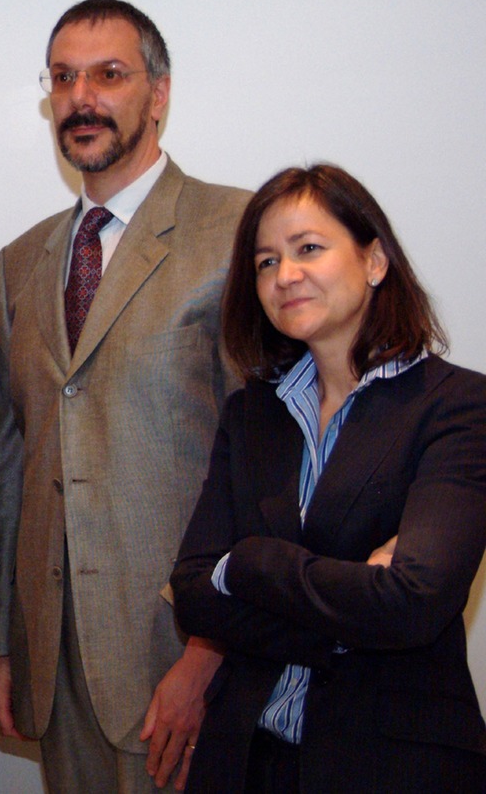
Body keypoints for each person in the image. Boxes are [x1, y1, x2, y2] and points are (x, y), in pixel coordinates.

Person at [0, 0, 252, 792]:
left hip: (181, 656)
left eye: (109, 75)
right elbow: (7, 469)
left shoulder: (235, 232)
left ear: (158, 93)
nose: (82, 97)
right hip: (54, 665)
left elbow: (260, 469)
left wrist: (208, 651)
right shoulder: (20, 261)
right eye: (63, 79)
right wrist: (3, 643)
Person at [170, 164, 486, 792]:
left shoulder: (458, 406)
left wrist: (252, 563)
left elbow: (413, 606)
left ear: (374, 261)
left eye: (308, 249)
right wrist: (352, 606)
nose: (285, 276)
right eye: (264, 262)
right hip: (244, 757)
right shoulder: (251, 412)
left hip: (389, 764)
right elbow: (195, 592)